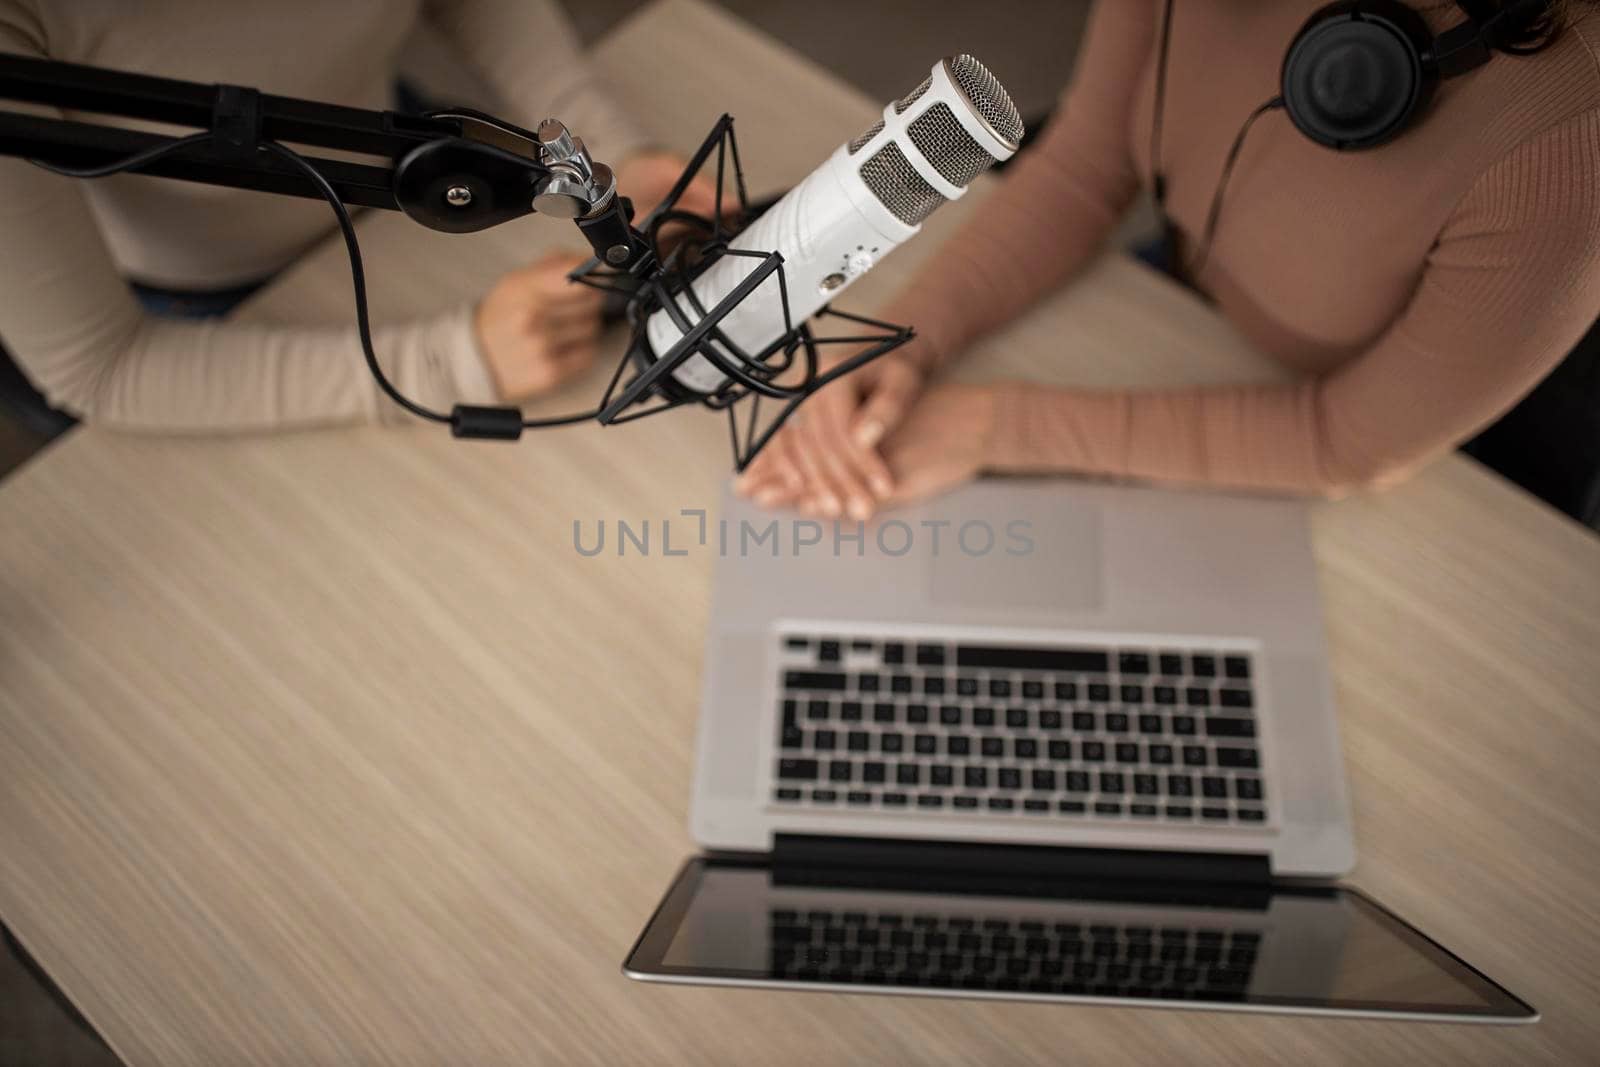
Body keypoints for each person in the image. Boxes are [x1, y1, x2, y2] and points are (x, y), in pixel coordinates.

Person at [735, 0, 1600, 520]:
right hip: (1181, 300)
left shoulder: (1571, 139)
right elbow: (1086, 167)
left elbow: (1349, 443)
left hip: (1407, 444)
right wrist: (905, 343)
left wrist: (999, 426)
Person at [0, 0, 713, 431]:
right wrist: (446, 364)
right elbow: (99, 367)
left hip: (398, 193)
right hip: (206, 312)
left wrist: (613, 152)